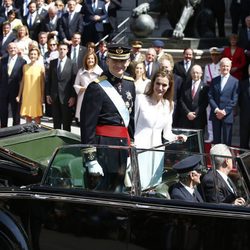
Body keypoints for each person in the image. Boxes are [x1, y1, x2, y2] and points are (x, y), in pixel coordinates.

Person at [80, 44, 135, 192]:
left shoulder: (130, 85)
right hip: (102, 148)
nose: (119, 65)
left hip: (123, 147)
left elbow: (130, 121)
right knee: (101, 193)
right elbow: (87, 126)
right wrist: (91, 159)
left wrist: (130, 150)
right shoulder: (96, 87)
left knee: (120, 192)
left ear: (128, 62)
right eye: (115, 61)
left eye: (123, 61)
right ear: (107, 61)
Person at [134, 69, 187, 190]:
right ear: (153, 83)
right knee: (139, 185)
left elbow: (167, 133)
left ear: (169, 87)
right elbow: (132, 125)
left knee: (153, 187)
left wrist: (177, 137)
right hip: (139, 150)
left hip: (157, 152)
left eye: (164, 85)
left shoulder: (169, 105)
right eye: (158, 83)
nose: (160, 87)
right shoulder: (140, 99)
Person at [208, 57, 239, 146]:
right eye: (223, 66)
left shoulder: (235, 81)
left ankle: (227, 159)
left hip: (227, 115)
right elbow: (210, 96)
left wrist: (224, 111)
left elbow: (234, 99)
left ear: (230, 67)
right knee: (216, 141)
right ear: (220, 67)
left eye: (227, 66)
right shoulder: (214, 80)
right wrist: (217, 110)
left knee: (227, 141)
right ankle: (216, 159)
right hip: (216, 114)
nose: (225, 68)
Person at [46, 42, 76, 131]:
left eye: (64, 49)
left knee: (66, 123)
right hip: (54, 96)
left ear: (67, 50)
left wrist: (73, 96)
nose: (62, 51)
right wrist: (48, 94)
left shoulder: (72, 63)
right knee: (56, 122)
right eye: (60, 49)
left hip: (66, 97)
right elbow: (49, 80)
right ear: (58, 50)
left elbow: (74, 81)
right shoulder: (53, 62)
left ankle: (66, 143)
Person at [0, 42, 26, 127]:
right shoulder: (3, 60)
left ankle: (15, 131)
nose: (12, 49)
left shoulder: (22, 61)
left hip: (16, 91)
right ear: (7, 49)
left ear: (17, 49)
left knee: (16, 113)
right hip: (3, 90)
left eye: (14, 48)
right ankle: (3, 130)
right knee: (3, 112)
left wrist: (20, 93)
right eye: (10, 48)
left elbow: (23, 78)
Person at [16, 47, 45, 124]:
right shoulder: (25, 67)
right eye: (31, 54)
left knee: (37, 115)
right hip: (27, 94)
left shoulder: (41, 68)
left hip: (36, 94)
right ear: (29, 55)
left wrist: (42, 96)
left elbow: (42, 83)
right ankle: (28, 133)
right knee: (27, 114)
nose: (33, 56)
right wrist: (19, 95)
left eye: (35, 54)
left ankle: (38, 134)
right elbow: (22, 81)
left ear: (38, 56)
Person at [73, 52, 102, 122]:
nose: (90, 60)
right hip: (83, 97)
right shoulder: (80, 71)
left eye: (92, 58)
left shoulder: (100, 72)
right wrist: (82, 88)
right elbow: (75, 84)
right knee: (83, 121)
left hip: (95, 99)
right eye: (88, 58)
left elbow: (103, 86)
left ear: (95, 60)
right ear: (85, 60)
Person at [179, 64, 209, 131]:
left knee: (198, 140)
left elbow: (205, 102)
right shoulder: (185, 85)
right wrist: (188, 113)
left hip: (199, 118)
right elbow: (181, 100)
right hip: (186, 118)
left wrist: (195, 113)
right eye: (193, 73)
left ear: (201, 74)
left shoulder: (205, 87)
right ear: (190, 73)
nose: (195, 75)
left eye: (197, 73)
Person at [203, 47, 222, 143]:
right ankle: (211, 135)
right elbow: (205, 82)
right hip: (210, 92)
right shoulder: (207, 67)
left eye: (216, 55)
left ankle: (219, 135)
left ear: (219, 56)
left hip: (219, 93)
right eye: (213, 55)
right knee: (209, 113)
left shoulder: (221, 66)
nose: (214, 57)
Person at [160, 58, 183, 128]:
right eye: (163, 67)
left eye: (166, 67)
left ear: (171, 68)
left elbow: (180, 97)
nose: (165, 69)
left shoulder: (178, 79)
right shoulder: (158, 78)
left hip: (173, 109)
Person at [238, 64, 250, 149]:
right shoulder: (242, 84)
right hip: (245, 118)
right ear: (248, 71)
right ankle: (244, 162)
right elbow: (239, 100)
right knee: (244, 143)